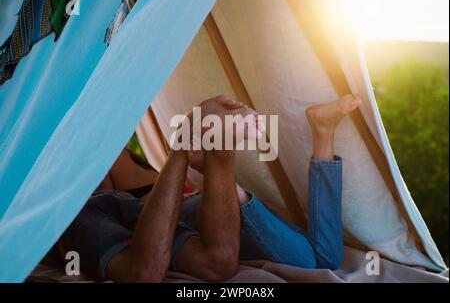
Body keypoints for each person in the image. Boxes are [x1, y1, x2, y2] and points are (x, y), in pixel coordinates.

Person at [59, 94, 361, 282]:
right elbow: (146, 272)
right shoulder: (67, 206)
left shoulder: (109, 157)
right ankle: (318, 135)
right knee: (323, 257)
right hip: (190, 208)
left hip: (191, 205)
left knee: (316, 259)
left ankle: (229, 179)